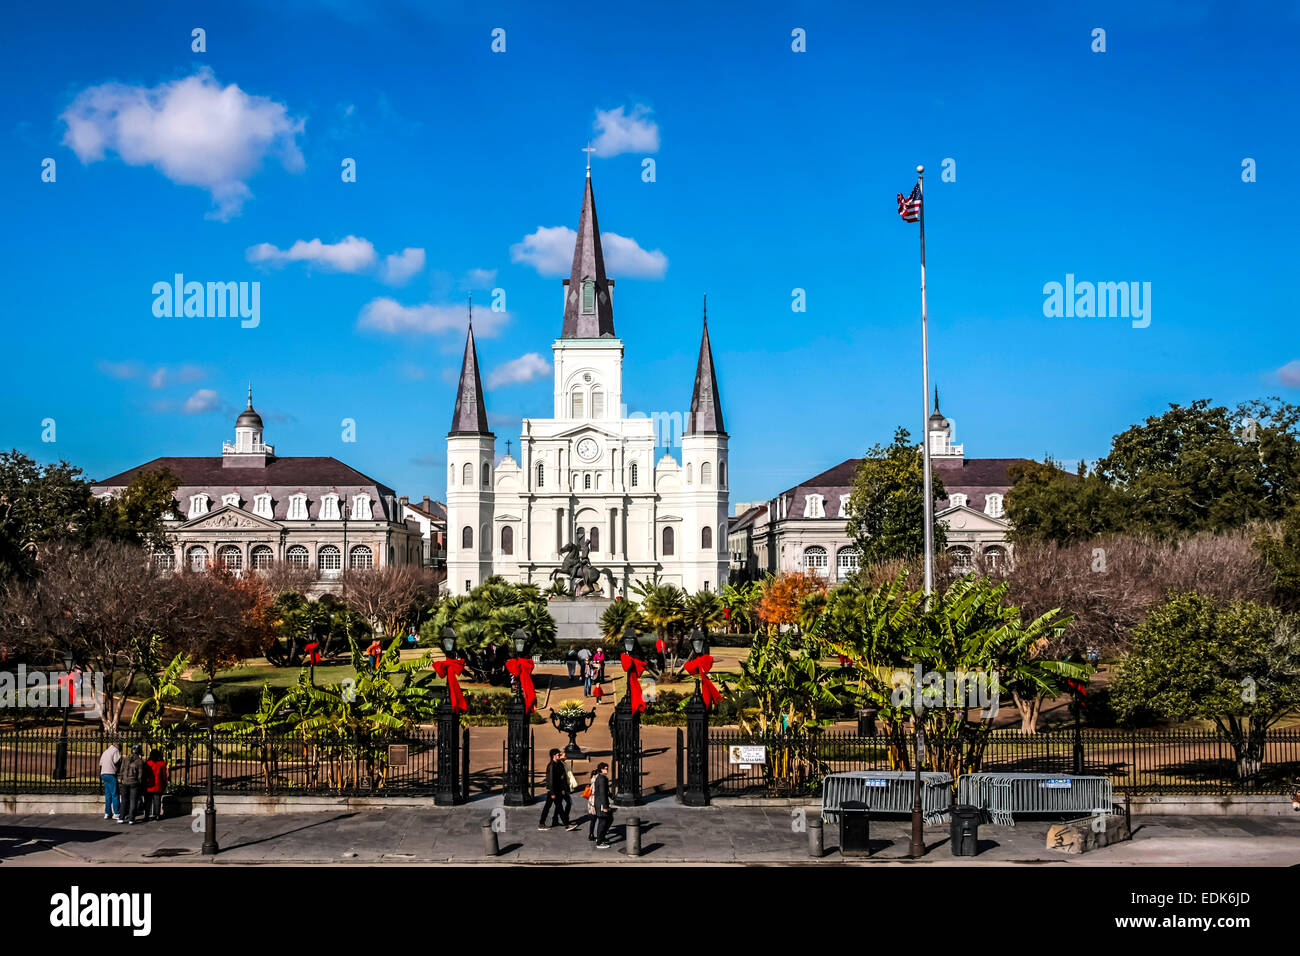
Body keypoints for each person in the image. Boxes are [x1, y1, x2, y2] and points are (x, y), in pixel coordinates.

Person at [538, 748, 576, 830]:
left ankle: (543, 823)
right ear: (553, 756)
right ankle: (566, 825)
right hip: (553, 791)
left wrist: (563, 789)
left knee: (551, 807)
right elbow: (550, 780)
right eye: (558, 754)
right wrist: (552, 793)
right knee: (556, 807)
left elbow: (562, 778)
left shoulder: (560, 764)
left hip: (558, 790)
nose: (560, 755)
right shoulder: (551, 766)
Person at [118, 745, 146, 824]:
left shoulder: (125, 758)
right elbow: (140, 775)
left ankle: (121, 818)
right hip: (134, 783)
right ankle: (131, 819)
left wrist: (121, 779)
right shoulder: (139, 761)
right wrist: (140, 783)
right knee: (133, 801)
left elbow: (121, 770)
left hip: (124, 782)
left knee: (123, 801)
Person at [591, 762, 614, 849]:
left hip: (600, 802)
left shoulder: (601, 778)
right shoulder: (602, 779)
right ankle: (599, 841)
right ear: (601, 769)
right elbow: (602, 793)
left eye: (607, 768)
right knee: (603, 821)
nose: (607, 770)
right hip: (601, 803)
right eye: (605, 768)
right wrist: (605, 807)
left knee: (608, 819)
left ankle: (601, 838)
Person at [143, 749, 169, 822]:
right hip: (158, 784)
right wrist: (165, 782)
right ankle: (157, 815)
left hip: (148, 785)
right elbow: (164, 775)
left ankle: (146, 815)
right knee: (157, 801)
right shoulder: (162, 763)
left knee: (147, 801)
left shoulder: (147, 763)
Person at [99, 742, 121, 821]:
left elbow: (100, 763)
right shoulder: (115, 751)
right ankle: (116, 813)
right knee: (115, 794)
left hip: (103, 774)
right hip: (111, 773)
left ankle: (107, 813)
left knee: (108, 794)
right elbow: (116, 761)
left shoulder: (105, 751)